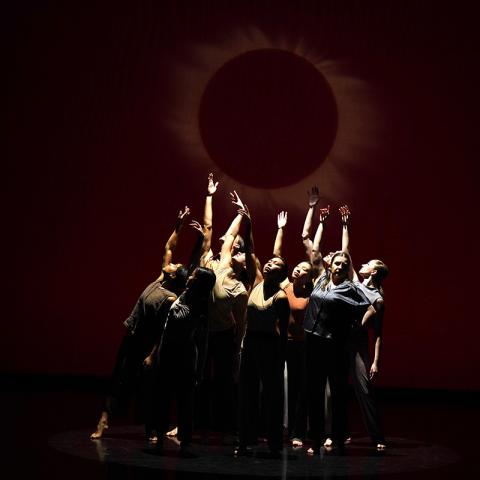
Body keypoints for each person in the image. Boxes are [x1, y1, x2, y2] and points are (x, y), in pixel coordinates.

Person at [90, 207, 195, 440]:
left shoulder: (170, 299)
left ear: (174, 276)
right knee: (120, 379)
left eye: (175, 266)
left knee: (149, 388)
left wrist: (151, 355)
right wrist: (178, 226)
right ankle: (104, 420)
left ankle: (151, 429)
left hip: (148, 345)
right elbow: (169, 247)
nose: (172, 263)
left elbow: (163, 331)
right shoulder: (160, 279)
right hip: (132, 338)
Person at [304, 246, 376, 454]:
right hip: (312, 340)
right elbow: (313, 251)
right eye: (337, 263)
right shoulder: (322, 280)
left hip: (334, 344)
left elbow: (372, 306)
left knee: (337, 393)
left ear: (348, 270)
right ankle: (315, 438)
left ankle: (337, 437)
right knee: (314, 391)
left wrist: (357, 326)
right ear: (331, 265)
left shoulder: (350, 288)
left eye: (345, 265)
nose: (340, 267)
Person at [235, 207, 291, 458]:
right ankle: (246, 439)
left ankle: (274, 443)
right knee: (247, 394)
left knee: (271, 396)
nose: (270, 262)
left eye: (276, 263)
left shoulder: (280, 296)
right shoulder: (256, 281)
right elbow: (250, 252)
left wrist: (279, 358)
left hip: (269, 346)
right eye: (270, 261)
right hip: (251, 345)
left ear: (281, 273)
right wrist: (250, 225)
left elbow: (283, 330)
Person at [196, 188, 250, 442]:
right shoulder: (216, 263)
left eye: (242, 253)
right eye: (236, 250)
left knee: (224, 381)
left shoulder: (239, 288)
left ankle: (225, 424)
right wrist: (211, 197)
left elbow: (241, 323)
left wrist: (238, 347)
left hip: (224, 335)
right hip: (203, 330)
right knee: (198, 376)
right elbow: (217, 231)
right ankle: (197, 422)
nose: (236, 252)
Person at [152, 267, 217, 456]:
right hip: (167, 355)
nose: (189, 277)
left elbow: (202, 341)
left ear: (200, 282)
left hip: (184, 359)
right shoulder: (183, 295)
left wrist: (200, 370)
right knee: (163, 398)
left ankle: (186, 442)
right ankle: (160, 438)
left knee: (185, 402)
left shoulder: (201, 307)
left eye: (194, 276)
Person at [340, 206, 388, 451]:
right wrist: (345, 225)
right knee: (334, 388)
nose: (361, 264)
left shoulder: (378, 298)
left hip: (358, 343)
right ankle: (335, 433)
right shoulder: (357, 283)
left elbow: (378, 334)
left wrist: (375, 361)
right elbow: (346, 254)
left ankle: (377, 437)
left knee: (364, 390)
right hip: (340, 338)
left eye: (367, 264)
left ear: (375, 271)